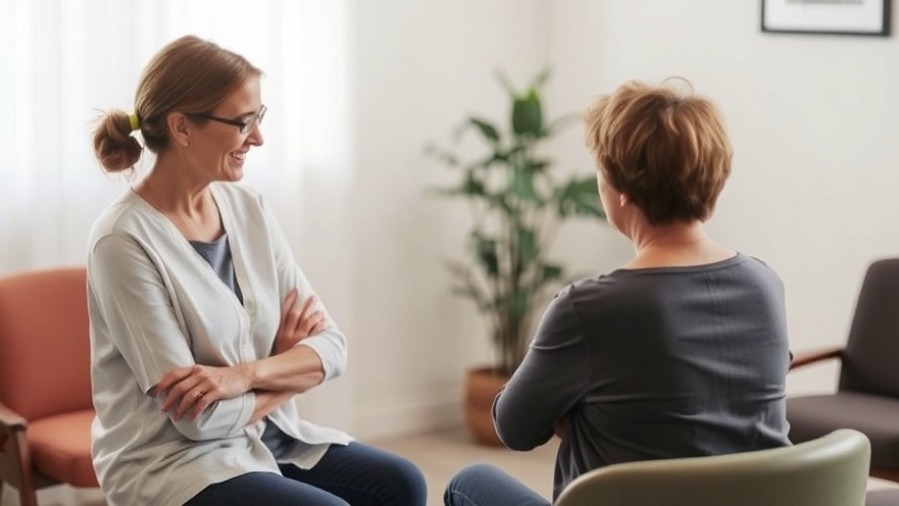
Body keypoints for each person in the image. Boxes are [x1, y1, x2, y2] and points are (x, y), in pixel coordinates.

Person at [88, 35, 426, 506]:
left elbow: (331, 347)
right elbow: (196, 421)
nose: (258, 138)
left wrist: (246, 375)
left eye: (258, 118)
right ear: (182, 127)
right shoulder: (122, 242)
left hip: (266, 436)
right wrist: (287, 372)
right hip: (173, 465)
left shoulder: (248, 208)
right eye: (243, 122)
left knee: (403, 482)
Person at [444, 79, 791, 506]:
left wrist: (580, 413)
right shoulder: (764, 284)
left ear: (621, 189)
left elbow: (513, 427)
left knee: (468, 483)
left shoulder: (590, 308)